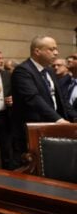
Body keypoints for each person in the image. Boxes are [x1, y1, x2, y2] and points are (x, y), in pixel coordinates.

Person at [11, 36, 77, 169]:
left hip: (52, 128)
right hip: (33, 131)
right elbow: (33, 99)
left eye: (56, 49)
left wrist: (74, 117)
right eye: (51, 49)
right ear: (37, 51)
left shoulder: (49, 71)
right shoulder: (23, 71)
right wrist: (58, 120)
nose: (56, 53)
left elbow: (61, 100)